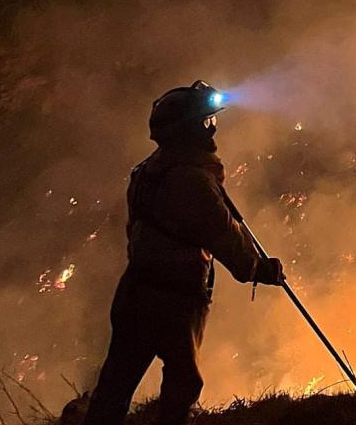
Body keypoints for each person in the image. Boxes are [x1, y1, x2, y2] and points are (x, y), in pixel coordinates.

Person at [83, 80, 285, 425]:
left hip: (135, 290)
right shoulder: (192, 182)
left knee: (116, 383)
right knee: (183, 381)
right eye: (205, 122)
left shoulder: (147, 171)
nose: (212, 129)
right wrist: (259, 269)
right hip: (174, 300)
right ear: (188, 132)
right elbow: (224, 236)